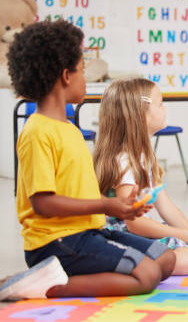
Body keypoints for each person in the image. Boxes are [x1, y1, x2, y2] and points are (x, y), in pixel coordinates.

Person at [0, 20, 175, 301]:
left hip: (88, 231)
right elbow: (42, 203)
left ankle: (65, 276)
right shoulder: (37, 131)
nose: (86, 79)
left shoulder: (69, 128)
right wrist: (106, 204)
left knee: (166, 260)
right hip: (55, 242)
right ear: (66, 76)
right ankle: (44, 286)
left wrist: (123, 207)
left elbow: (79, 190)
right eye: (83, 71)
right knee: (147, 276)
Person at [93, 78, 188, 275]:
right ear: (140, 115)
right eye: (159, 104)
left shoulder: (144, 156)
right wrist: (186, 238)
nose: (164, 109)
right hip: (121, 236)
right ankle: (132, 266)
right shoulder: (124, 162)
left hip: (141, 231)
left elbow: (166, 206)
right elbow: (134, 224)